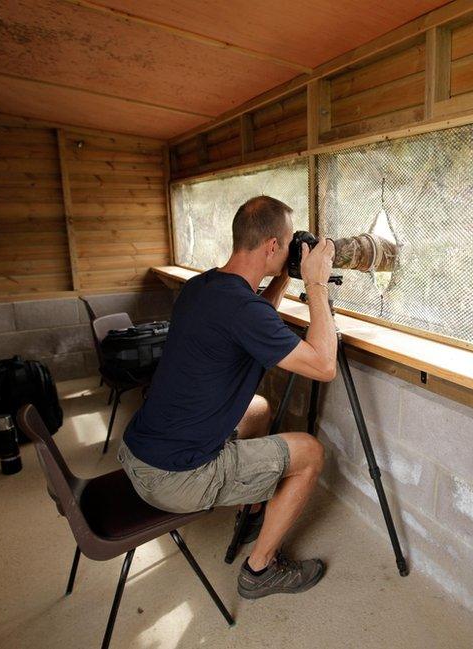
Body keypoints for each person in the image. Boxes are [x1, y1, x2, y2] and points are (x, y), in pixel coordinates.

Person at [117, 195, 337, 599]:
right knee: (310, 453)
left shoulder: (203, 286)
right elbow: (324, 365)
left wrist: (284, 277)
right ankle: (260, 570)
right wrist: (317, 284)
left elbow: (251, 318)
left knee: (259, 409)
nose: (289, 250)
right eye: (288, 245)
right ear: (272, 246)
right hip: (175, 478)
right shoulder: (243, 310)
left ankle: (251, 506)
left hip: (138, 452)